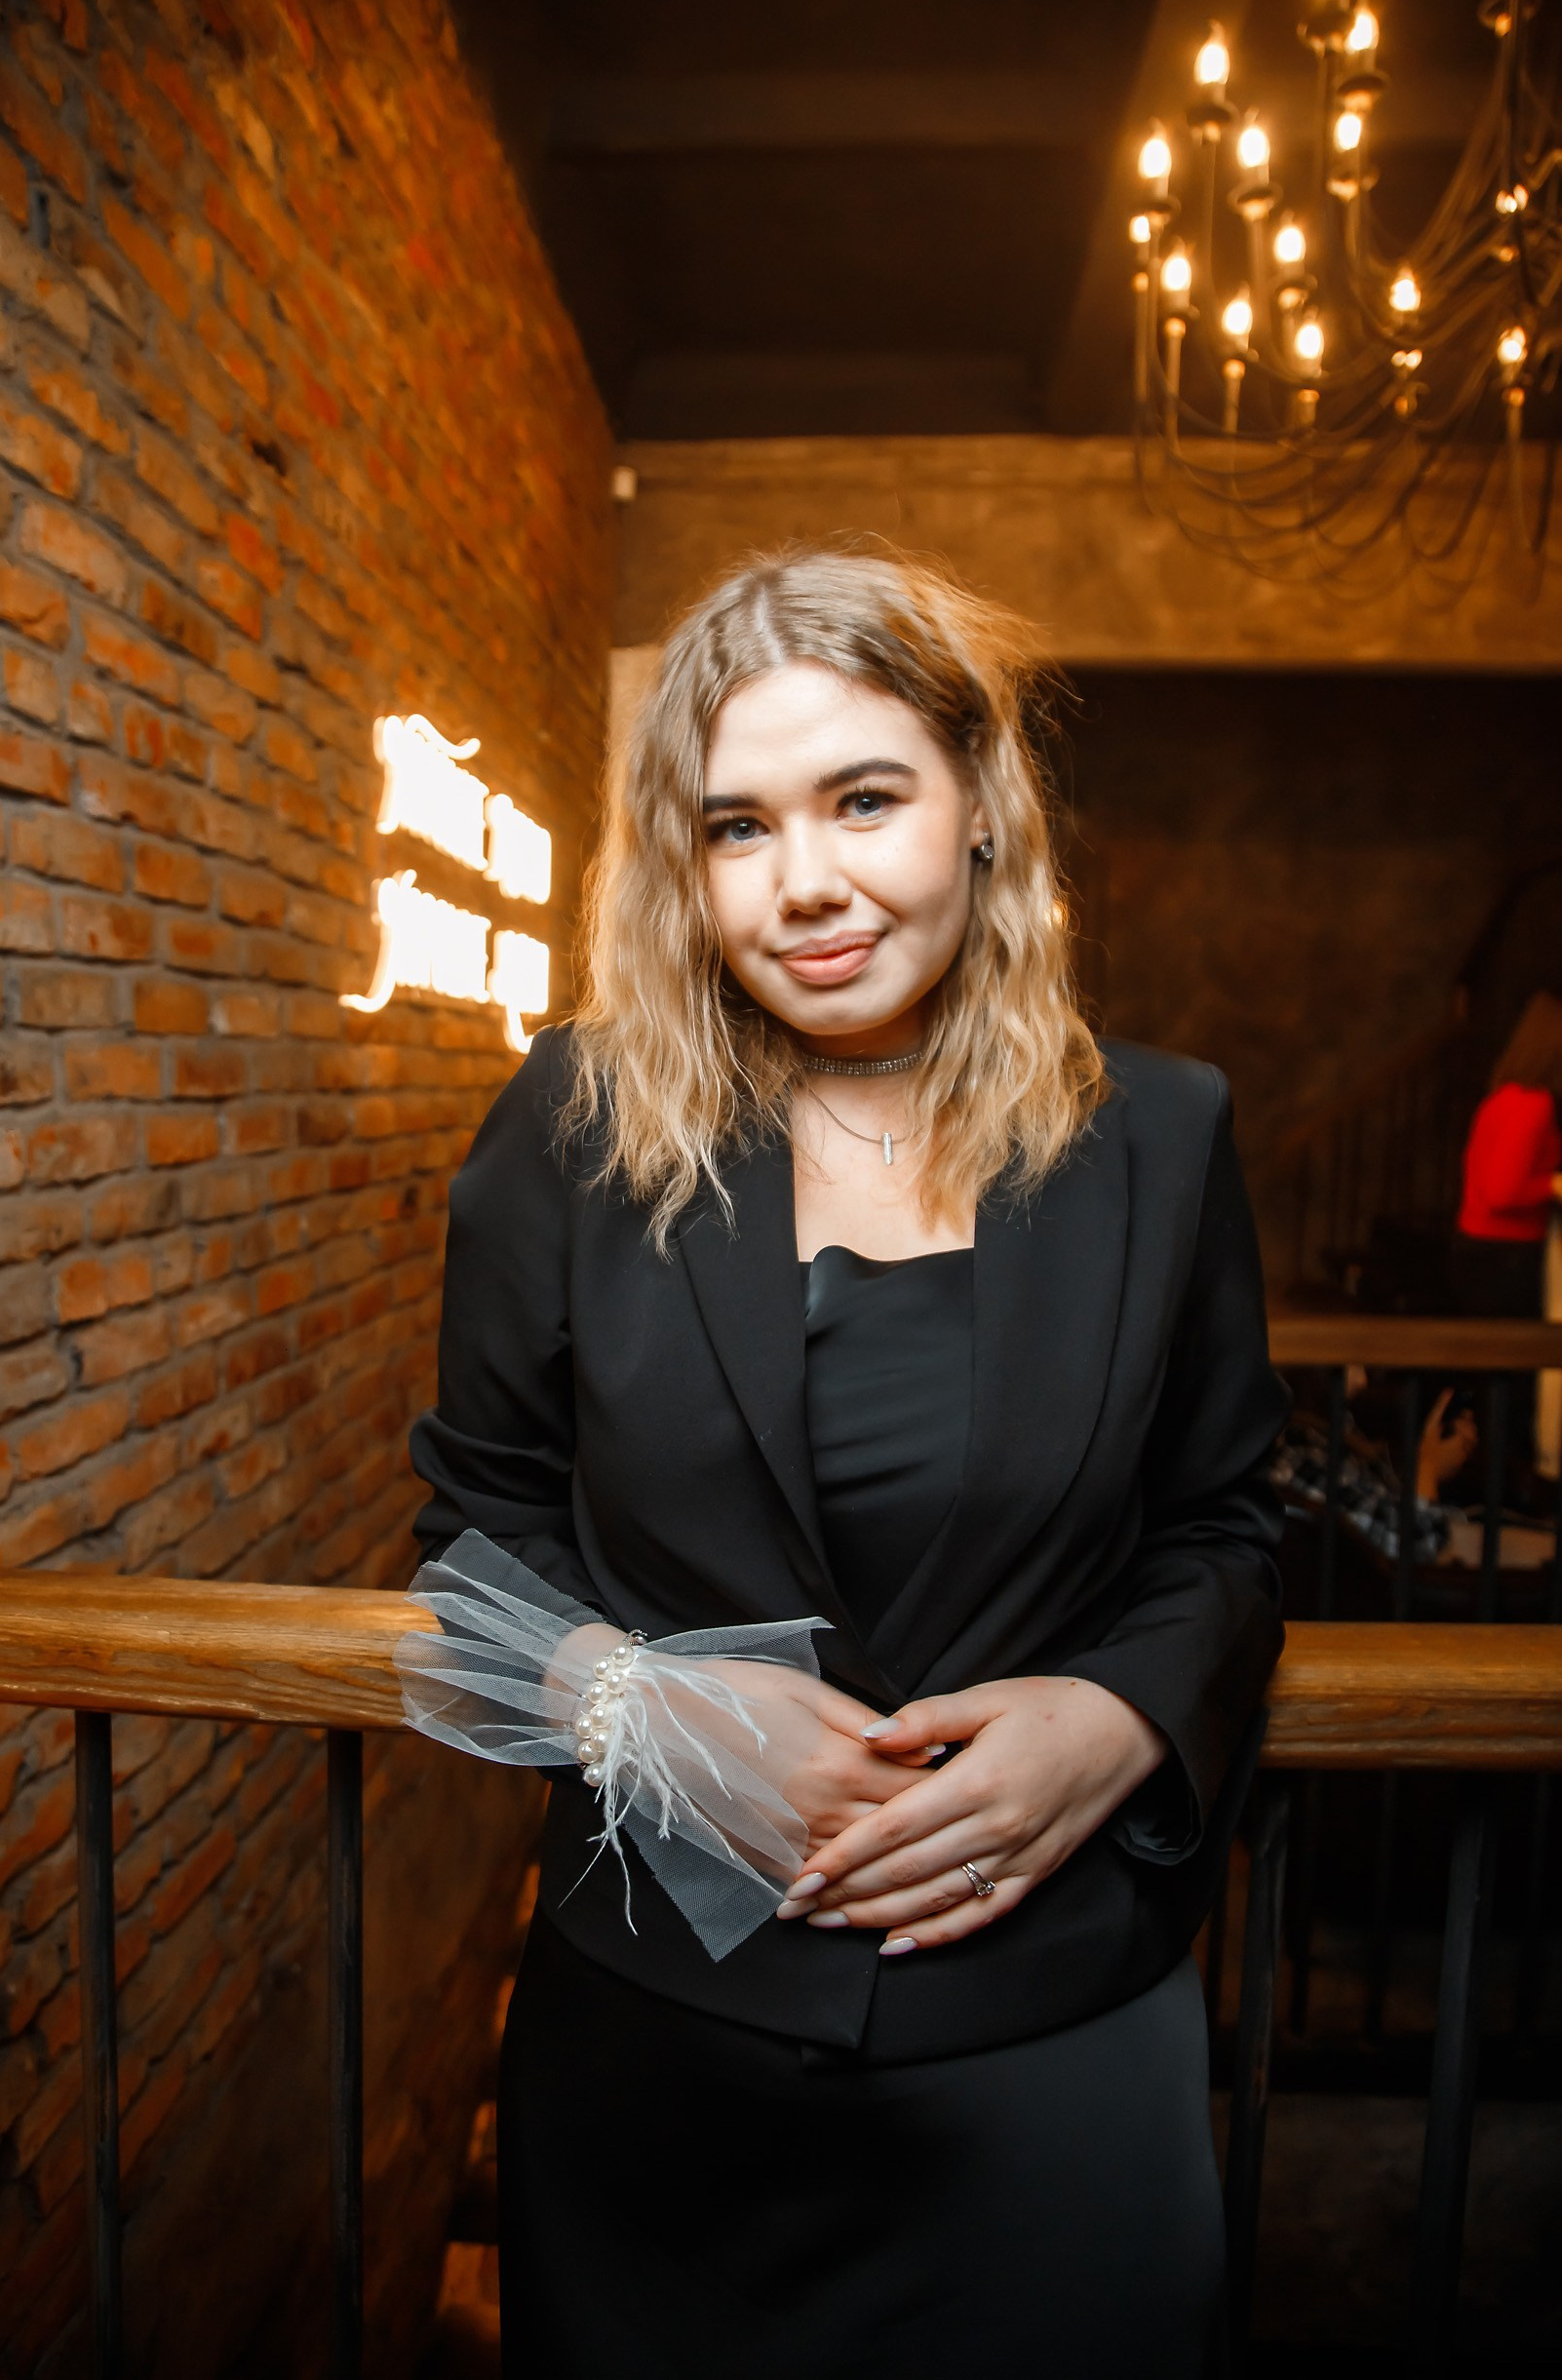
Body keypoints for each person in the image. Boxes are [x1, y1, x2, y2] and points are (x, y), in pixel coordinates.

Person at [409, 548, 1288, 2378]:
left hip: (1055, 2044)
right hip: (662, 2060)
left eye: (864, 799)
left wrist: (1118, 1720)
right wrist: (634, 1708)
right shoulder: (575, 1121)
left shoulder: (1161, 1135)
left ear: (979, 808)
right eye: (736, 827)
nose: (802, 880)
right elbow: (466, 1544)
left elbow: (1221, 1528)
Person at [1449, 993, 1562, 1322]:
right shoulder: (1533, 1105)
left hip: (1479, 1247)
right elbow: (1502, 1193)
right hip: (1504, 1255)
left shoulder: (1504, 1095)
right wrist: (1553, 1184)